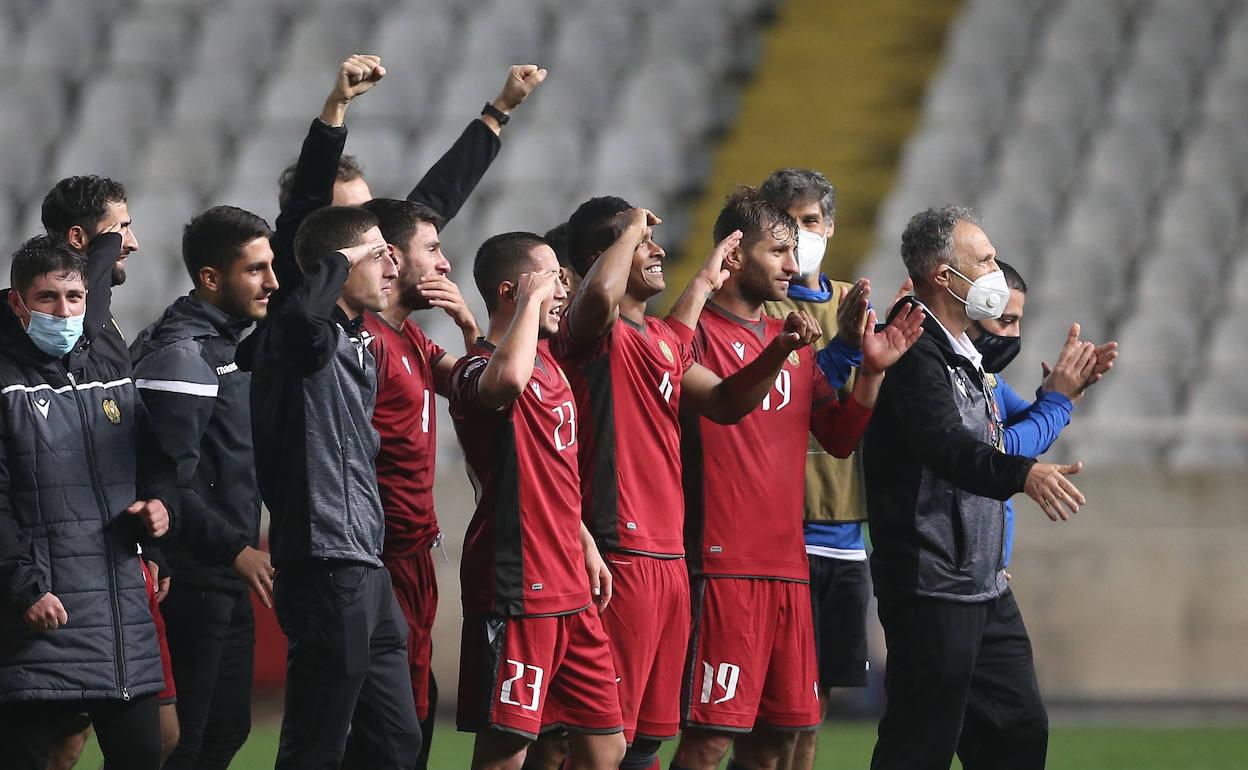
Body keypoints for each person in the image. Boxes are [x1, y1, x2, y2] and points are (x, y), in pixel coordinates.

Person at [548, 196, 831, 770]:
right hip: (619, 550)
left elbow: (726, 401)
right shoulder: (592, 336)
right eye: (640, 241)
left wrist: (772, 344)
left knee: (647, 741)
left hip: (669, 555)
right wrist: (630, 232)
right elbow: (598, 296)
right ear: (606, 254)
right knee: (599, 741)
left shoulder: (657, 337)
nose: (656, 249)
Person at [669, 188, 924, 770]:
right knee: (709, 738)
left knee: (778, 741)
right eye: (779, 251)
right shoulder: (692, 334)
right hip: (721, 564)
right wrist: (784, 352)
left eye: (796, 251)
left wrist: (870, 373)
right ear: (733, 255)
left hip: (789, 568)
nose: (793, 264)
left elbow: (836, 438)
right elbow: (725, 402)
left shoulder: (794, 337)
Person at [864, 206, 1088, 770]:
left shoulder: (963, 354)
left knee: (1017, 732)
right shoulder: (912, 351)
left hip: (983, 584)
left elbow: (988, 436)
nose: (995, 270)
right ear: (945, 277)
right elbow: (946, 448)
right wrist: (1023, 472)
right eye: (985, 260)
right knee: (921, 742)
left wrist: (1056, 397)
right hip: (932, 582)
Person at [238, 205, 420, 769]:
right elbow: (298, 326)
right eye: (377, 255)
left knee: (397, 741)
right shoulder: (295, 341)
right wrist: (342, 259)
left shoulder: (354, 341)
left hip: (364, 562)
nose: (392, 266)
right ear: (336, 269)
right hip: (323, 563)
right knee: (315, 744)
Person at [449, 232, 625, 770]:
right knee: (508, 750)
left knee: (607, 746)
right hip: (516, 589)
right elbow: (505, 379)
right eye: (551, 278)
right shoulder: (475, 370)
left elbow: (556, 477)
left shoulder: (550, 368)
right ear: (512, 290)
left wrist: (586, 541)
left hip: (570, 582)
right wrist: (529, 303)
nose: (563, 290)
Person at [0, 233, 175, 770]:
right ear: (17, 303)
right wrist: (23, 586)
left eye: (74, 297)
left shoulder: (109, 369)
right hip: (40, 617)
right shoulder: (6, 383)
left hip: (119, 613)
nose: (64, 310)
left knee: (146, 752)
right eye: (47, 298)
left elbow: (154, 463)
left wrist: (159, 508)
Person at [129, 206, 281, 769]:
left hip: (223, 569)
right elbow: (164, 481)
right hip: (190, 573)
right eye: (256, 270)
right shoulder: (183, 354)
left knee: (225, 731)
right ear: (211, 278)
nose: (272, 282)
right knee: (182, 740)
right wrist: (235, 548)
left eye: (271, 267)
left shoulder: (229, 344)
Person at [40, 173, 181, 762]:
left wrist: (155, 528)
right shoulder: (46, 332)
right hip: (67, 565)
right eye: (122, 228)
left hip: (120, 554)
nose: (134, 243)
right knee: (64, 740)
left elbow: (129, 434)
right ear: (83, 239)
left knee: (144, 737)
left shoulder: (105, 324)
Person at [757, 169, 877, 770]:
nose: (800, 235)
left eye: (809, 222)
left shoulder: (857, 306)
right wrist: (847, 351)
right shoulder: (752, 305)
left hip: (845, 535)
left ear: (829, 227)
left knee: (813, 708)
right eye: (785, 223)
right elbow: (776, 395)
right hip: (773, 533)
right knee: (768, 716)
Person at [357, 197, 480, 769]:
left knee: (412, 722)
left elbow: (484, 390)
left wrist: (471, 328)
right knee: (383, 734)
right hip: (374, 560)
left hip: (412, 556)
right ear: (391, 258)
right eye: (431, 249)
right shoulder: (364, 342)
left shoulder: (410, 339)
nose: (445, 264)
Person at [966, 261, 1117, 570]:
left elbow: (1030, 431)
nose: (1014, 335)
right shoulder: (947, 377)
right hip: (956, 578)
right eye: (1006, 321)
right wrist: (1058, 401)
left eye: (1019, 321)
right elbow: (999, 449)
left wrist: (1062, 393)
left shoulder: (987, 377)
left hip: (986, 574)